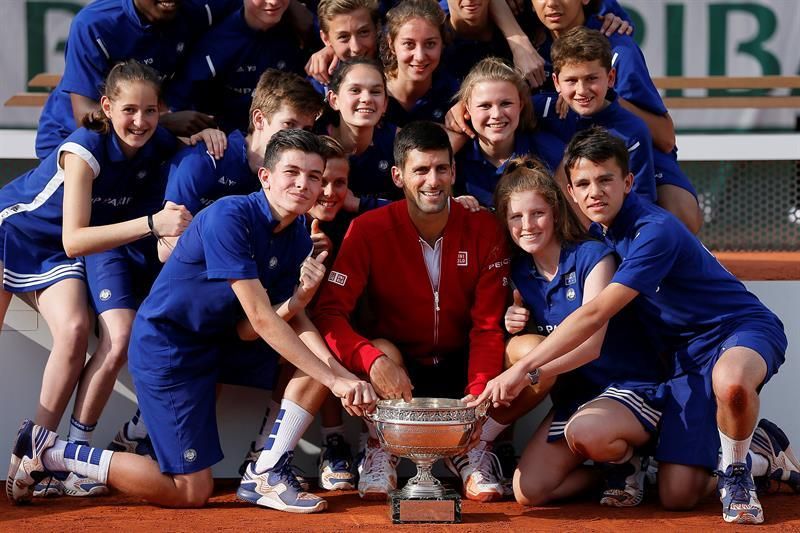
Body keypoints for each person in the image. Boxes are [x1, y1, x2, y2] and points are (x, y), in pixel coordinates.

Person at [7, 129, 377, 513]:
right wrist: (336, 378)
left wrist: (339, 373)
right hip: (170, 349)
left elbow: (268, 325)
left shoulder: (298, 234)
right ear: (265, 176)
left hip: (220, 343)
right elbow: (261, 320)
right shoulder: (231, 215)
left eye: (314, 176)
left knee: (313, 365)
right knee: (191, 491)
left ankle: (266, 471)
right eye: (292, 172)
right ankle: (54, 451)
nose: (304, 184)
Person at [472, 127, 795, 524]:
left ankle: (742, 468)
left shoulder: (653, 231)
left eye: (606, 179)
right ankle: (762, 452)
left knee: (731, 384)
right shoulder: (595, 233)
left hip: (736, 327)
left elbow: (593, 316)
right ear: (570, 193)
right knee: (677, 496)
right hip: (680, 359)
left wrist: (523, 371)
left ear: (628, 181)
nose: (596, 192)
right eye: (584, 183)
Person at [0, 60, 220, 497]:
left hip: (56, 251)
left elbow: (182, 141)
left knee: (77, 330)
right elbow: (75, 240)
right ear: (106, 106)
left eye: (151, 111)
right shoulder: (83, 148)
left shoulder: (156, 140)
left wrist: (207, 136)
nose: (140, 121)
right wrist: (153, 223)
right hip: (14, 231)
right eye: (129, 110)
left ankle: (38, 453)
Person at [107, 69, 323, 461]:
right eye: (289, 124)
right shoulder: (204, 160)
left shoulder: (295, 204)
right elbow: (166, 247)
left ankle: (267, 462)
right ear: (259, 119)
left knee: (300, 348)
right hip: (184, 312)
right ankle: (134, 435)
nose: (299, 137)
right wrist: (231, 256)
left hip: (236, 310)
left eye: (306, 128)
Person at [313, 121, 510, 502]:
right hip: (399, 370)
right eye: (420, 170)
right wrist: (370, 359)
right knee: (381, 347)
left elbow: (487, 327)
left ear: (454, 172)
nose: (432, 181)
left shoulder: (485, 228)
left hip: (463, 365)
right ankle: (379, 446)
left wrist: (475, 398)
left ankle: (472, 447)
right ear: (398, 176)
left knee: (522, 354)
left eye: (441, 169)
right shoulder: (367, 229)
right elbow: (329, 313)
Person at [491, 155, 667, 507]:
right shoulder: (520, 273)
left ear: (556, 212)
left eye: (537, 213)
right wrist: (512, 320)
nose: (528, 225)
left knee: (587, 431)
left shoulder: (592, 255)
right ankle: (619, 471)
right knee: (530, 492)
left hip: (627, 386)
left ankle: (624, 458)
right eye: (516, 217)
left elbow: (590, 347)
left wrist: (525, 375)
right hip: (577, 398)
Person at [35, 0, 227, 159]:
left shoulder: (197, 11)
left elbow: (250, 9)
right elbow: (85, 116)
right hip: (73, 138)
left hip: (142, 139)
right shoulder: (94, 23)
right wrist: (165, 122)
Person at [541, 26, 656, 203]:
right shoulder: (544, 110)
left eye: (591, 79)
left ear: (610, 78)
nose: (582, 91)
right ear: (556, 82)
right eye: (571, 81)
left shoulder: (631, 131)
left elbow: (641, 201)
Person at [166, 0, 307, 133]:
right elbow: (179, 105)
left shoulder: (300, 29)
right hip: (228, 142)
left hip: (286, 137)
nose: (274, 1)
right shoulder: (216, 45)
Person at [453, 57, 565, 207]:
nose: (497, 114)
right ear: (467, 109)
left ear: (520, 105)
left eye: (506, 103)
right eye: (485, 106)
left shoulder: (551, 153)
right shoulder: (454, 156)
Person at [321, 58, 400, 213]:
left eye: (375, 92)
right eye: (355, 90)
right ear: (334, 100)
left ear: (385, 104)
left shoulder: (397, 141)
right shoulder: (312, 140)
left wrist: (360, 204)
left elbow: (415, 208)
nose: (366, 99)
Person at [381, 0, 459, 126]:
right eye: (409, 44)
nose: (420, 57)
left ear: (442, 43)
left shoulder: (453, 94)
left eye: (430, 44)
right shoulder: (372, 91)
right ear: (391, 44)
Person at [305, 0, 381, 93]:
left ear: (378, 28)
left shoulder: (397, 58)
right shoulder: (317, 86)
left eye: (363, 32)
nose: (356, 48)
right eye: (343, 37)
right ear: (326, 39)